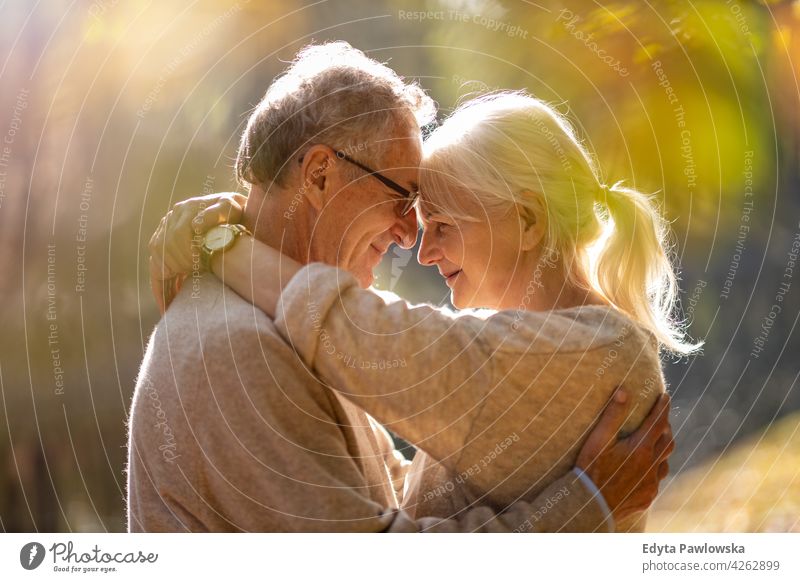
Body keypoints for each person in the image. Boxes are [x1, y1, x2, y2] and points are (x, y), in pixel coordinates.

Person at [132, 42, 673, 533]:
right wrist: (581, 509)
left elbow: (386, 493)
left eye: (437, 220)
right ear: (320, 174)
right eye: (403, 197)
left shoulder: (308, 334)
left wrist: (224, 241)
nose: (411, 237)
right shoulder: (238, 348)